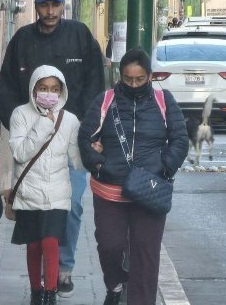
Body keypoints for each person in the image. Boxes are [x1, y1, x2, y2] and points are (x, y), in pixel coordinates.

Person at [0, 0, 105, 298]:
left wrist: (85, 130)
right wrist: (22, 126)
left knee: (70, 206)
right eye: (44, 5)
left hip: (69, 139)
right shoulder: (21, 40)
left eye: (55, 4)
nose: (50, 11)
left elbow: (95, 83)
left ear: (63, 6)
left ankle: (64, 269)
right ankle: (38, 284)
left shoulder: (80, 36)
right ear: (35, 6)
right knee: (34, 216)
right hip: (32, 147)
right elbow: (7, 91)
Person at [78, 48, 188, 305]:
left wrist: (164, 168)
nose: (135, 84)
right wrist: (98, 165)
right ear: (120, 75)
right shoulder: (106, 100)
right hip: (109, 190)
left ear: (149, 76)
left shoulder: (164, 100)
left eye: (140, 79)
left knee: (146, 255)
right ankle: (115, 284)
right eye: (129, 79)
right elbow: (85, 138)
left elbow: (180, 139)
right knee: (109, 245)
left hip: (149, 191)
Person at [9, 65, 82, 305]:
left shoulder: (70, 120)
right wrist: (43, 125)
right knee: (33, 245)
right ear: (34, 89)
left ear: (61, 91)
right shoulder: (20, 114)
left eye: (54, 89)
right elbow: (20, 153)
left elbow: (76, 158)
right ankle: (35, 292)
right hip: (29, 192)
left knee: (50, 242)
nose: (48, 94)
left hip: (57, 193)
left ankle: (50, 294)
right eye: (43, 88)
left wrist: (95, 150)